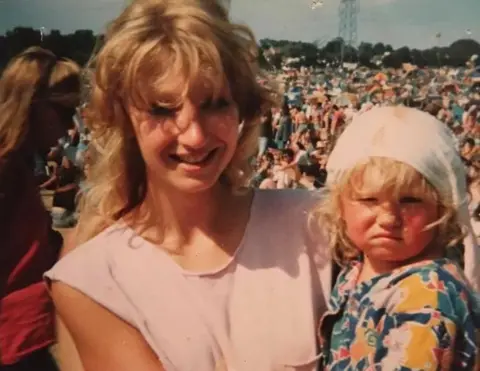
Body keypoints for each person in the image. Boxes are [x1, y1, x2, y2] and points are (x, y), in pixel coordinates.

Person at [45, 1, 331, 370]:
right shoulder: (93, 281)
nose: (194, 136)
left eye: (214, 104)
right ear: (123, 117)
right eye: (162, 109)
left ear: (242, 110)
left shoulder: (315, 224)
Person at [311, 106, 480, 370]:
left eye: (410, 201)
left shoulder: (427, 297)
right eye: (369, 200)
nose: (389, 218)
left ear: (443, 209)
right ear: (339, 205)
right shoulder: (359, 268)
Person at [0, 47, 81, 369]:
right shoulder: (5, 172)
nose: (67, 128)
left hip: (23, 339)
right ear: (31, 104)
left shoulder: (17, 169)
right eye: (62, 113)